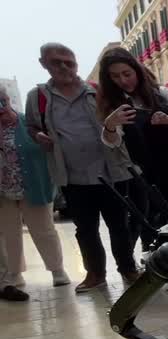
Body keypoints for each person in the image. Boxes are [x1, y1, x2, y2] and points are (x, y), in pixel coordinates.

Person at [26, 43, 140, 293]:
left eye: (70, 61)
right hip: (72, 177)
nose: (65, 67)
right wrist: (38, 137)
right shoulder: (38, 97)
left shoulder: (98, 91)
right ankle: (95, 273)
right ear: (44, 63)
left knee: (119, 225)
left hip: (111, 173)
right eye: (57, 62)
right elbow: (32, 126)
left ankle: (128, 268)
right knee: (85, 229)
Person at [97, 47, 168, 259]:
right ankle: (166, 264)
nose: (123, 80)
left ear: (137, 70)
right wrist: (109, 125)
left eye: (127, 73)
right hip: (147, 172)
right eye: (115, 76)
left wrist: (167, 119)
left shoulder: (161, 93)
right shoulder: (115, 106)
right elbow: (113, 143)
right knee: (159, 220)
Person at [0, 85, 70, 294]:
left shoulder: (26, 123)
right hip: (3, 191)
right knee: (6, 233)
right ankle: (13, 274)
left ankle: (57, 270)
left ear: (8, 100)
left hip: (35, 186)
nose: (1, 107)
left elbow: (48, 150)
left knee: (44, 230)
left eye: (2, 101)